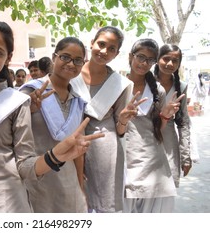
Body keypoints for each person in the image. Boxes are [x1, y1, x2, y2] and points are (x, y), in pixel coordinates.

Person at [0, 19, 104, 213]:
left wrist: (54, 157)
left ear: (8, 57)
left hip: (5, 204)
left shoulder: (16, 101)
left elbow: (24, 164)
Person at [70, 26, 135, 213]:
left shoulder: (120, 84)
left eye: (112, 49)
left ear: (117, 54)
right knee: (75, 201)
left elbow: (121, 131)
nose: (104, 51)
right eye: (101, 44)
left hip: (105, 149)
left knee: (105, 205)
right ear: (91, 43)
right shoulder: (71, 73)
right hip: (69, 142)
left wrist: (122, 120)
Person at [19, 37, 88, 212]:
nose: (71, 64)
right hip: (36, 180)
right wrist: (31, 107)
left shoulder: (78, 101)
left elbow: (77, 152)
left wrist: (80, 187)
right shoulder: (30, 92)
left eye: (78, 60)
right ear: (54, 57)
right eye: (65, 57)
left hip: (68, 184)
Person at [124, 38, 184, 213]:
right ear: (130, 56)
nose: (144, 63)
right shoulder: (117, 85)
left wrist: (165, 116)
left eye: (149, 60)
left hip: (153, 160)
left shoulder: (158, 90)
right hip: (126, 158)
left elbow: (158, 129)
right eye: (140, 57)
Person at [154, 44, 192, 188]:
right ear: (158, 59)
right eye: (166, 59)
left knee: (166, 186)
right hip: (145, 136)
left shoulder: (181, 87)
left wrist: (185, 157)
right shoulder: (145, 81)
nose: (170, 64)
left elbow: (183, 122)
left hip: (168, 140)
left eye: (175, 61)